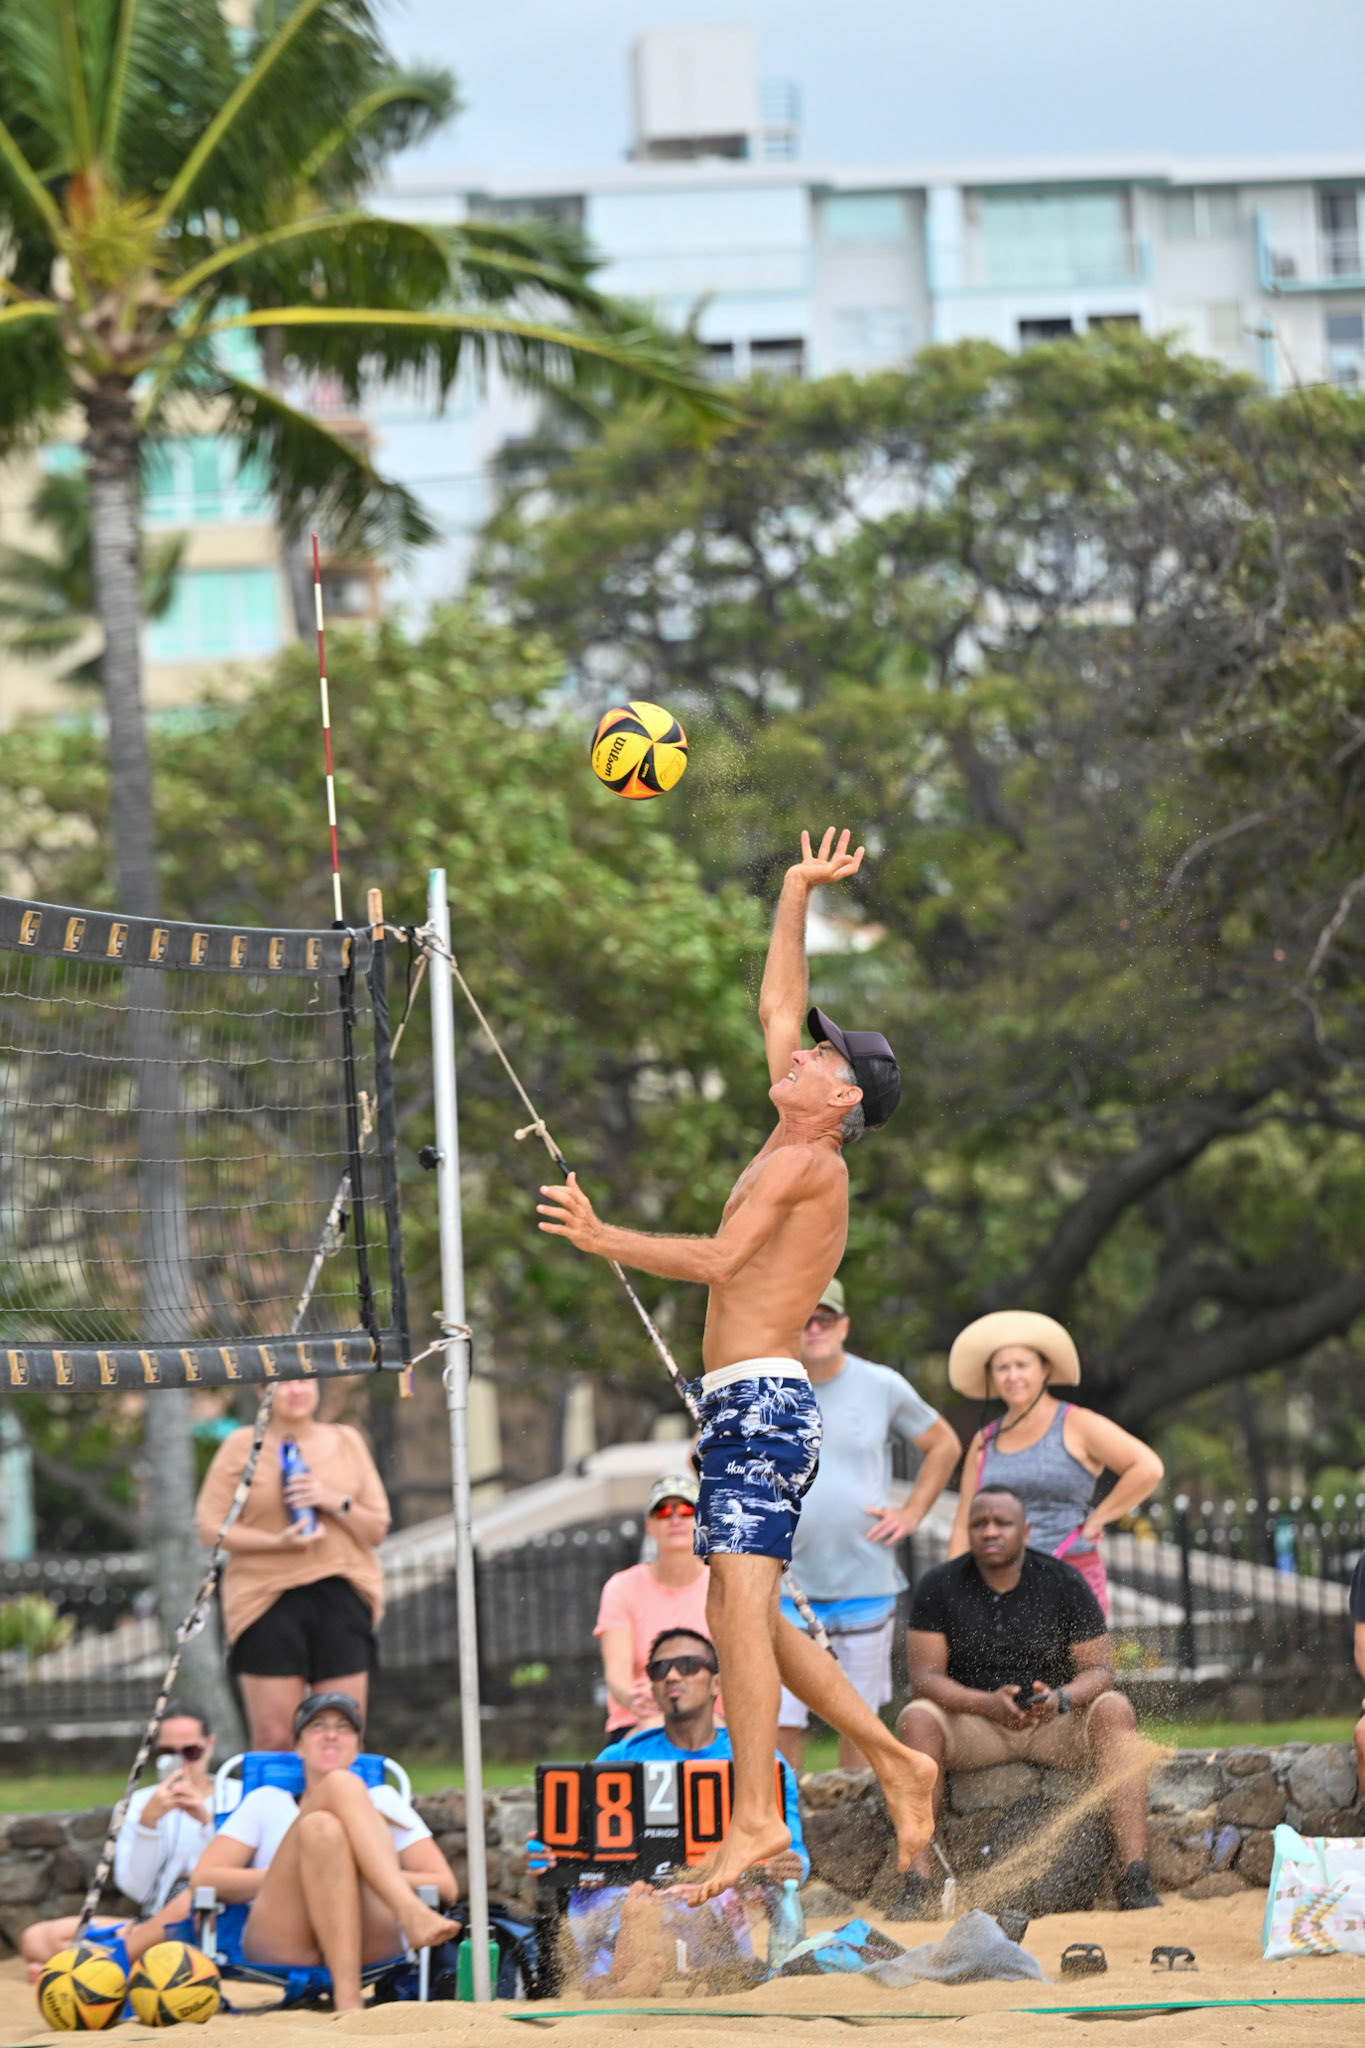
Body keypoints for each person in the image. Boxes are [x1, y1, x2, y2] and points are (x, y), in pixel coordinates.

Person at [537, 826, 936, 1902]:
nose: (803, 1051)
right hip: (740, 1406)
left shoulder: (808, 1160)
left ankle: (758, 1815)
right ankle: (899, 1760)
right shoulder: (792, 1128)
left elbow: (716, 1259)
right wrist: (795, 891)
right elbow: (777, 1004)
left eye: (824, 1054)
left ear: (844, 1097)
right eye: (812, 1048)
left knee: (736, 1615)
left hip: (764, 1405)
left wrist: (601, 1235)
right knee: (737, 1614)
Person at [896, 1484, 1161, 1917]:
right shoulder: (938, 1586)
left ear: (1026, 1530)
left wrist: (1061, 1698)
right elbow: (924, 1678)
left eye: (1002, 1522)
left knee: (1115, 1708)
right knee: (916, 1718)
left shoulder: (1064, 1582)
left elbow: (1100, 1671)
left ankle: (1135, 1875)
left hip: (1051, 1724)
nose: (990, 1531)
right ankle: (918, 1883)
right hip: (975, 1726)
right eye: (979, 1523)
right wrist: (985, 1703)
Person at [528, 1627, 807, 1997]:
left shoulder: (759, 1761)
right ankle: (625, 1979)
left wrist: (789, 1865)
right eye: (659, 1670)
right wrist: (551, 1852)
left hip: (721, 1888)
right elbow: (581, 1850)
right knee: (615, 1897)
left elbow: (795, 1854)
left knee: (712, 1896)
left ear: (717, 1684)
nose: (672, 1676)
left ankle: (627, 1974)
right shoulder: (619, 1758)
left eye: (688, 1665)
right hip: (632, 1892)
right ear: (653, 1687)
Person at [779, 1278, 960, 1771]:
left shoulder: (881, 1385)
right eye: (804, 1318)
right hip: (784, 1582)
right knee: (780, 1716)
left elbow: (944, 1445)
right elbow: (702, 1456)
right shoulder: (767, 1383)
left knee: (858, 1716)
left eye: (826, 1318)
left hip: (865, 1580)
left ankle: (853, 1820)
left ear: (844, 1326)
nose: (815, 1329)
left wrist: (912, 1513)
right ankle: (784, 1824)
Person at [192, 1691, 459, 2013]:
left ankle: (348, 1997)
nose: (331, 1735)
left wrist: (362, 1874)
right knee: (332, 1798)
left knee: (323, 1826)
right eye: (318, 1726)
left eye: (344, 1727)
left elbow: (446, 1886)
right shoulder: (265, 1801)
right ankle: (407, 1911)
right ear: (298, 1745)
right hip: (283, 1939)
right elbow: (203, 1879)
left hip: (369, 1939)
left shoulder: (384, 1799)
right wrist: (304, 1875)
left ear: (358, 1747)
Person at [195, 1378, 391, 1749]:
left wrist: (332, 1499)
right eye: (281, 1383)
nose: (295, 1390)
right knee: (275, 1736)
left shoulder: (346, 1441)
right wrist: (276, 1543)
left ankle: (337, 1807)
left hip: (341, 1591)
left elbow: (377, 1529)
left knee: (341, 1734)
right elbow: (209, 1528)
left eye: (303, 1379)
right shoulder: (242, 1446)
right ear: (260, 1390)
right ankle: (275, 1807)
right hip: (265, 1597)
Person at [947, 1310, 1164, 1617]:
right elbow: (962, 1525)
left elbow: (1148, 1468)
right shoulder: (985, 1441)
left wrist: (1097, 1520)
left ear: (1045, 1369)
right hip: (1000, 1588)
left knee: (1080, 1667)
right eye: (1002, 1368)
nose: (1012, 1376)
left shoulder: (1077, 1424)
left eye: (1022, 1365)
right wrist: (952, 1592)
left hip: (1070, 1579)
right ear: (991, 1377)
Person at [20, 1700, 217, 1975]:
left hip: (215, 1921)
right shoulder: (139, 1803)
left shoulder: (236, 1793)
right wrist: (147, 1825)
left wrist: (207, 1819)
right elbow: (137, 1890)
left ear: (211, 1744)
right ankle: (128, 1962)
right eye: (167, 1753)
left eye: (192, 1752)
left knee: (191, 1901)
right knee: (36, 1938)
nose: (181, 1763)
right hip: (151, 1924)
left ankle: (94, 1971)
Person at [596, 1474, 716, 1735]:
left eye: (685, 1510)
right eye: (662, 1511)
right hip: (640, 1717)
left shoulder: (720, 1586)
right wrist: (640, 1701)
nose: (674, 1519)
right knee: (651, 1730)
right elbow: (618, 1678)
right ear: (649, 1526)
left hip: (710, 1715)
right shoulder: (622, 1588)